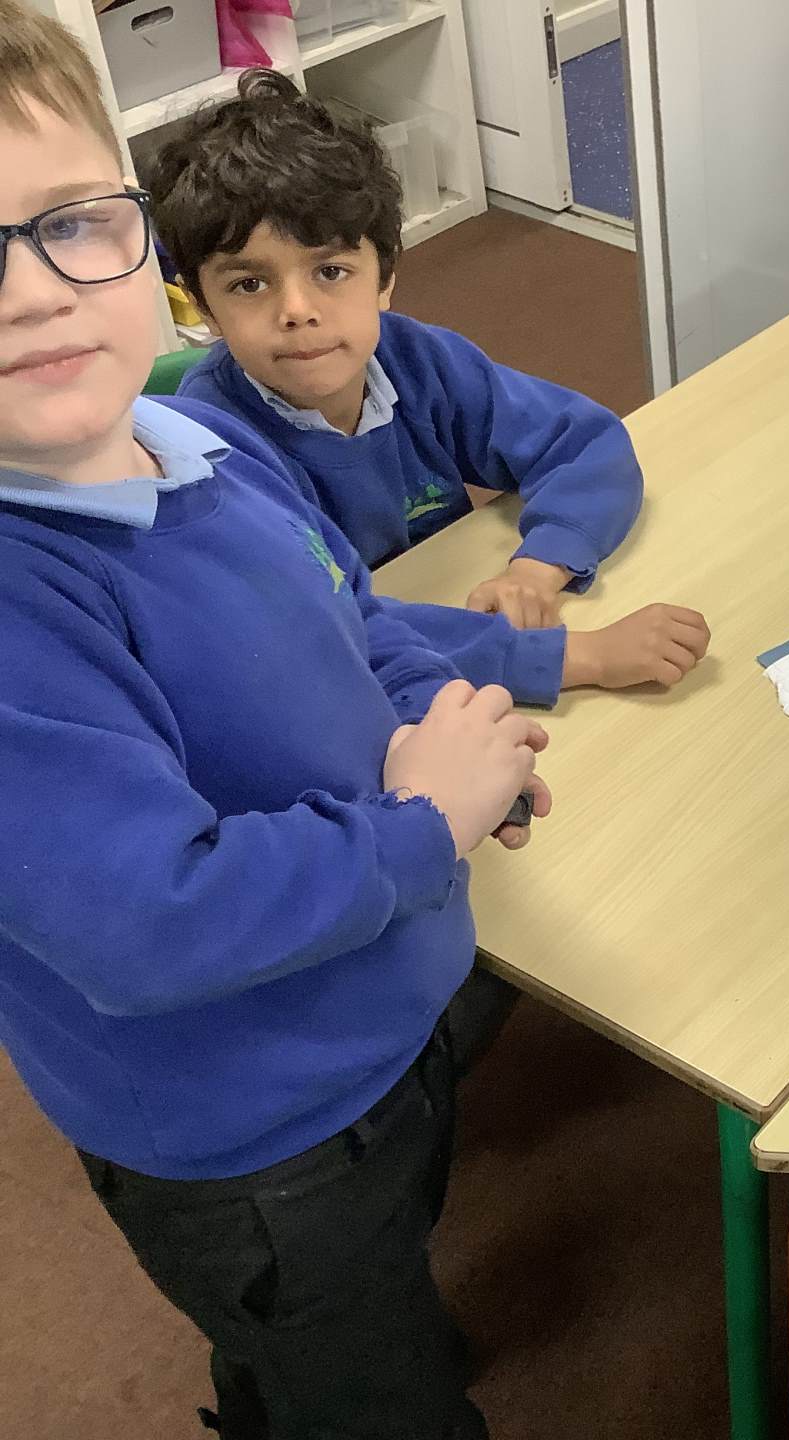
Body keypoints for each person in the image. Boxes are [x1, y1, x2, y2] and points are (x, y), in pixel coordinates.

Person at [0, 7, 546, 1430]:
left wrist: (456, 731)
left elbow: (351, 620)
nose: (35, 294)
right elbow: (150, 921)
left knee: (363, 1305)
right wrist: (422, 825)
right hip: (260, 1143)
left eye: (70, 222)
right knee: (352, 1376)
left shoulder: (198, 441)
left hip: (371, 1016)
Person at [161, 69, 647, 633]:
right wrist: (557, 660)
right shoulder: (212, 451)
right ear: (204, 306)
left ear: (385, 278)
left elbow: (584, 445)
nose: (297, 310)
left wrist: (539, 571)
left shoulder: (418, 361)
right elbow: (308, 631)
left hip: (443, 616)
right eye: (249, 284)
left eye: (330, 271)